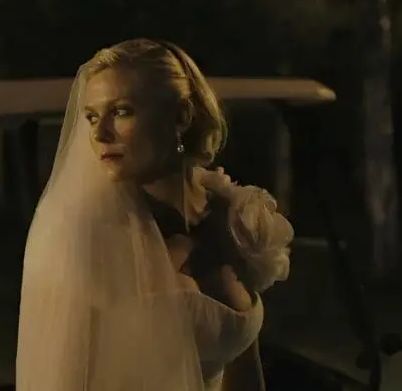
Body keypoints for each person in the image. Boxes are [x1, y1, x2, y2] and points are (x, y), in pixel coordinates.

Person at [16, 39, 294, 391]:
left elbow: (243, 366)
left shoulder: (233, 216)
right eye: (92, 117)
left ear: (180, 117)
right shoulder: (83, 239)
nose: (99, 134)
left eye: (121, 111)